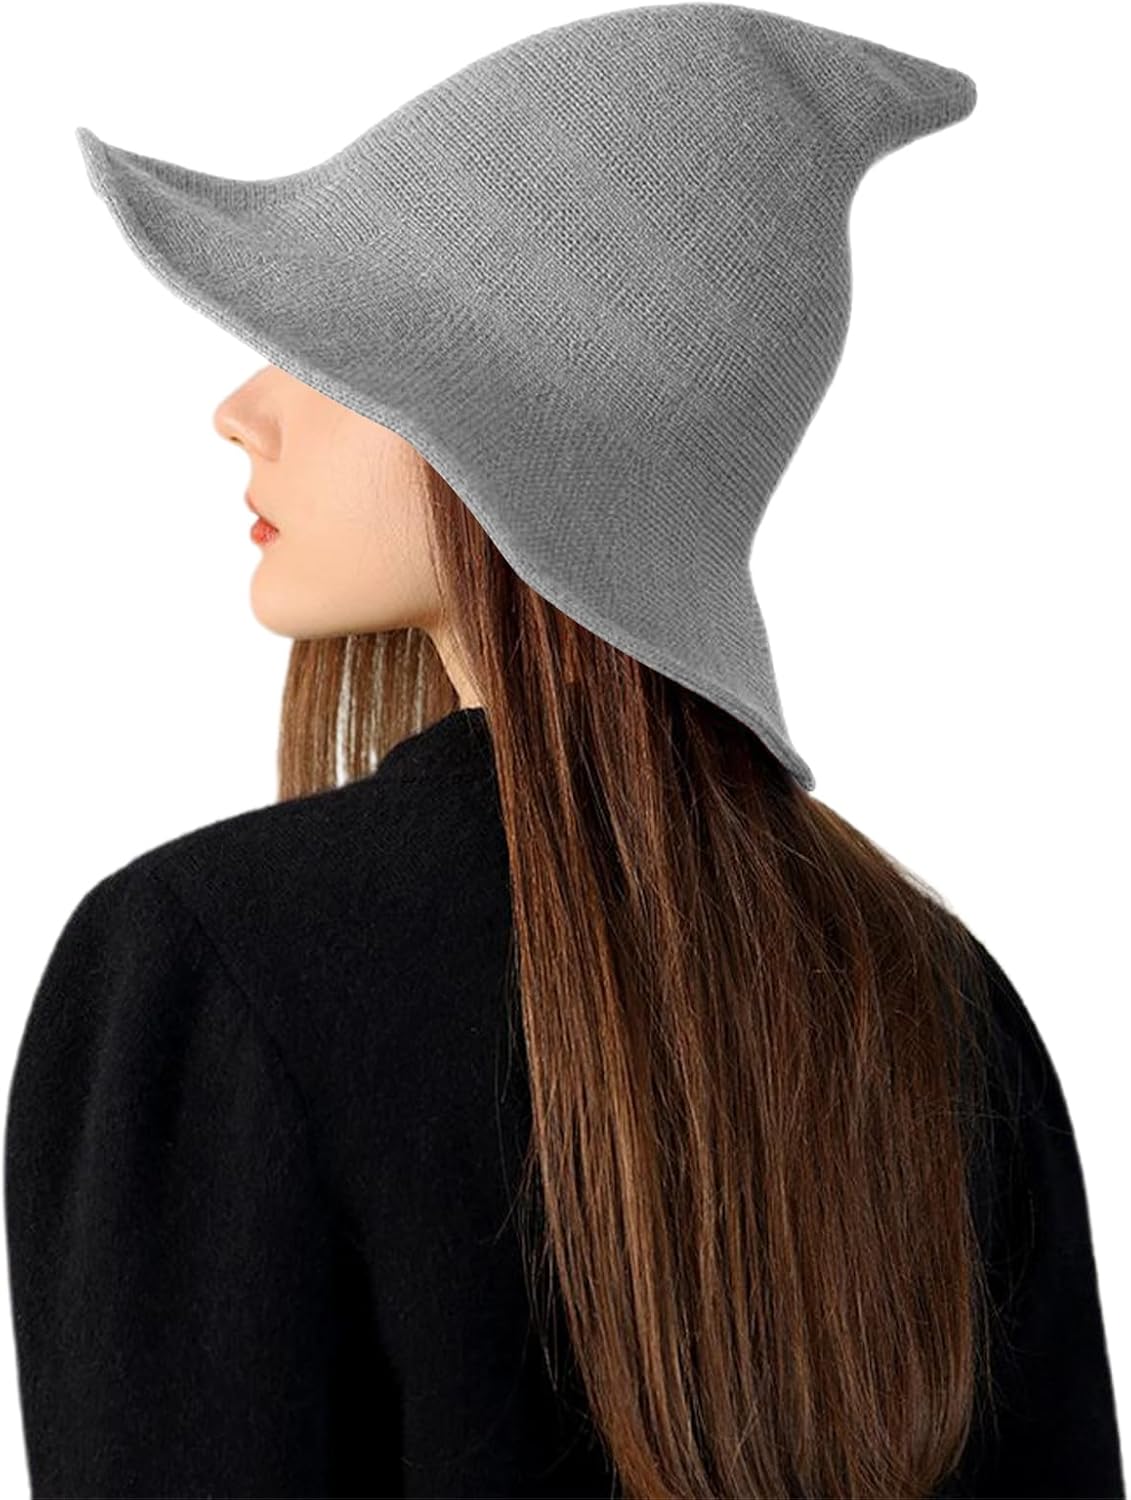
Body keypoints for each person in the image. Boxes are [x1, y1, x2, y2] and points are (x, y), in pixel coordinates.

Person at [6, 7, 1125, 1498]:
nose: (241, 408)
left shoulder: (209, 966)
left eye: (331, 345)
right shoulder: (931, 996)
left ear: (524, 427)